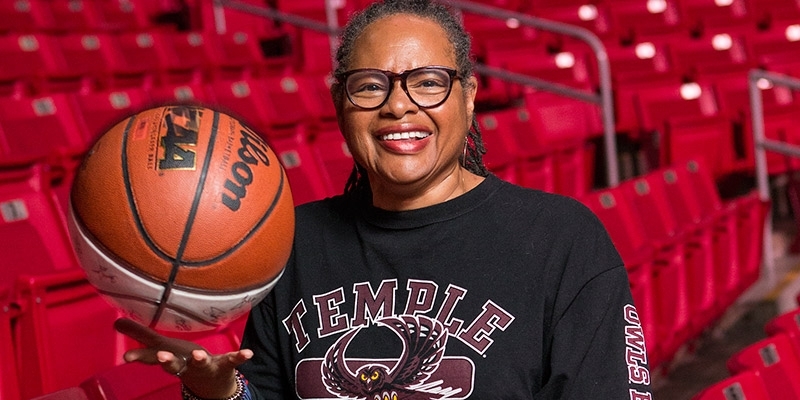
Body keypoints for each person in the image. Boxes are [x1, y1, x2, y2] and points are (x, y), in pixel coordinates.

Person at [116, 0, 654, 398]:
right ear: (341, 106)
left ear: (468, 97)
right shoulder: (289, 243)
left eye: (427, 82)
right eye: (371, 85)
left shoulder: (562, 239)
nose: (399, 106)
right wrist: (219, 392)